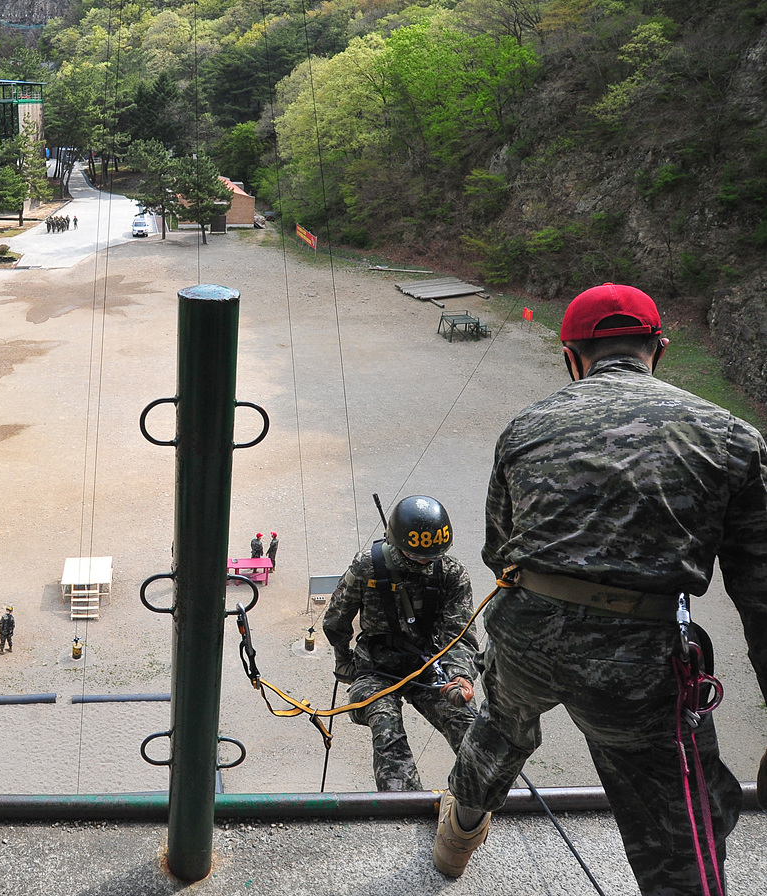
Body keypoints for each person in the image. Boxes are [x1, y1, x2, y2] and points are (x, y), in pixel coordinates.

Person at [435, 283, 767, 894]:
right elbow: (762, 597)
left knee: (501, 728)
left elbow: (498, 547)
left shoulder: (526, 427)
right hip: (636, 663)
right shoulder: (731, 437)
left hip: (526, 637)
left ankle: (456, 836)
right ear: (658, 349)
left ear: (571, 355)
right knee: (679, 815)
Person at [323, 495, 478, 792]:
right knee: (387, 733)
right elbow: (336, 620)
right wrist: (344, 662)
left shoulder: (451, 574)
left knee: (472, 731)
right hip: (375, 670)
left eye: (432, 556)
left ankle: (472, 805)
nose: (425, 562)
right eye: (417, 555)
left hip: (428, 667)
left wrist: (460, 676)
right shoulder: (368, 567)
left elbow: (459, 635)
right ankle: (404, 807)